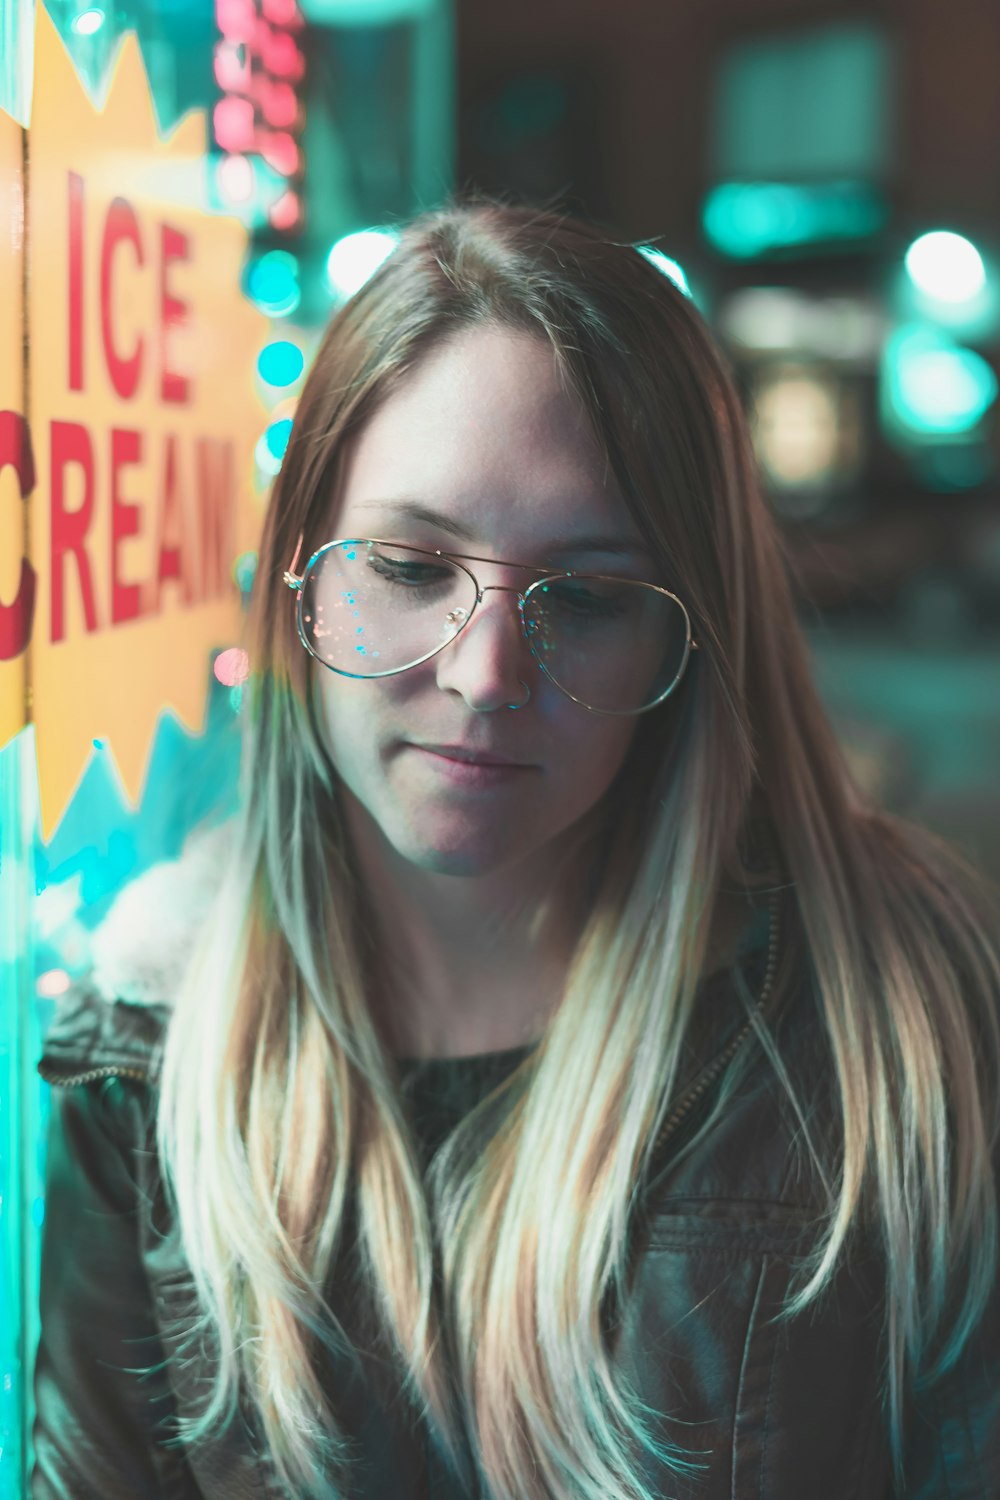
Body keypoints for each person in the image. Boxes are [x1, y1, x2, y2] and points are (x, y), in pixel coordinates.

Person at [33, 199, 1000, 1500]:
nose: (485, 675)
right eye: (410, 563)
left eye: (589, 594)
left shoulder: (900, 1022)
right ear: (298, 574)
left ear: (690, 637)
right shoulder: (140, 1051)